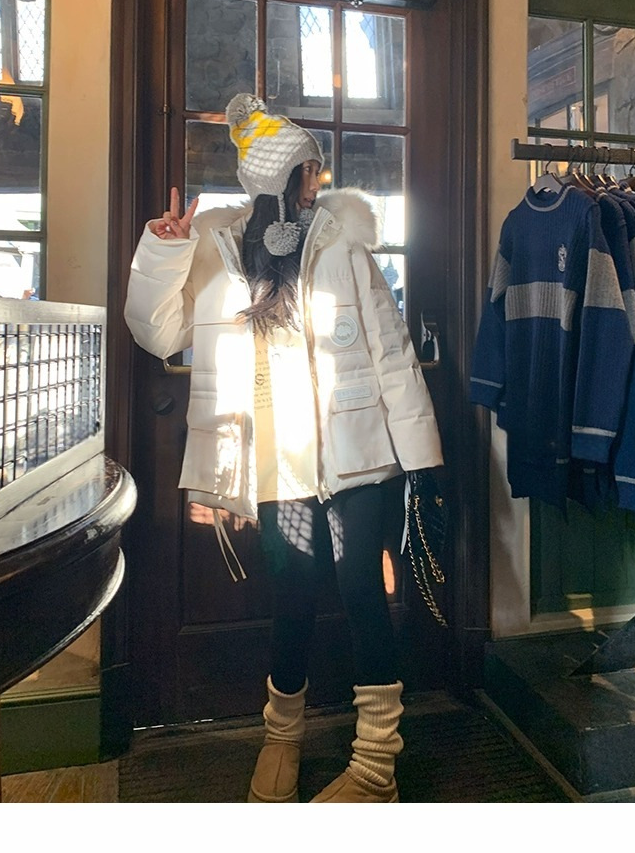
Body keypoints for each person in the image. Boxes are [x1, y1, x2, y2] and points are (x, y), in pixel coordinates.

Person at [124, 93, 444, 803]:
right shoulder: (215, 249)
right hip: (271, 466)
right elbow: (157, 333)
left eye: (313, 170)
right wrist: (165, 249)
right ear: (276, 176)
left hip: (360, 457)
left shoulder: (342, 244)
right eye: (304, 169)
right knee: (292, 597)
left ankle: (376, 767)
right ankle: (282, 737)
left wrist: (422, 460)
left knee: (363, 593)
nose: (312, 181)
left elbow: (393, 355)